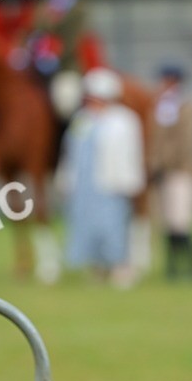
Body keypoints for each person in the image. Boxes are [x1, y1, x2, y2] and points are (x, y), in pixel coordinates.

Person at [57, 68, 146, 287]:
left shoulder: (124, 120)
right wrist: (65, 178)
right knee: (87, 226)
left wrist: (131, 181)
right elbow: (70, 151)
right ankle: (96, 267)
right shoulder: (81, 120)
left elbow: (132, 153)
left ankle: (121, 267)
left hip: (112, 184)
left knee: (113, 227)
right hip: (85, 187)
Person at [150, 64, 192, 280]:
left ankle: (191, 267)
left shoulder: (186, 107)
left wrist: (165, 162)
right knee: (168, 222)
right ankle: (173, 267)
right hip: (165, 171)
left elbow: (185, 142)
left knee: (181, 221)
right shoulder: (161, 107)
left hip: (181, 171)